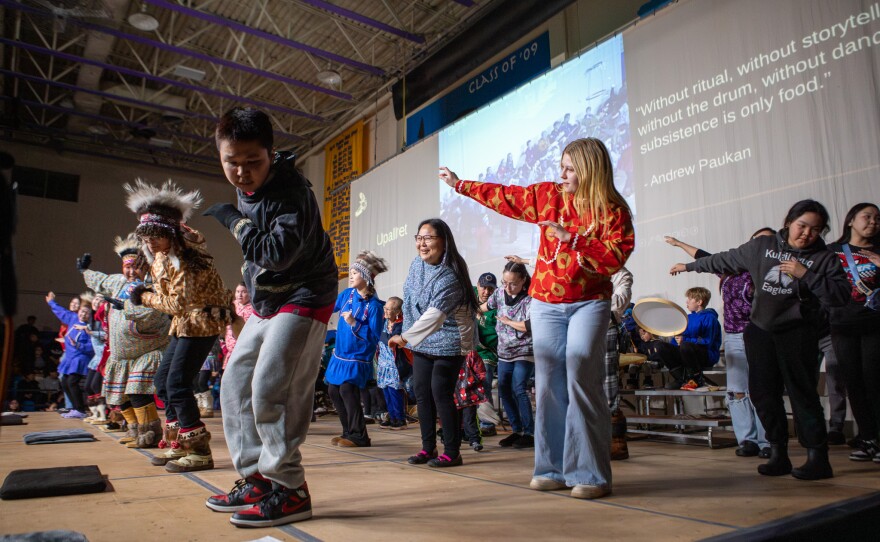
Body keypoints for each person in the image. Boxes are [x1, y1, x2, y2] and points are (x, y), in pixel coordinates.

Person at [441, 137, 634, 499]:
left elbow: (614, 257)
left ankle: (590, 474)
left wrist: (573, 240)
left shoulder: (612, 210)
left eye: (570, 168)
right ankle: (551, 468)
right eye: (561, 165)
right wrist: (460, 184)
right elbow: (507, 197)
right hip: (545, 303)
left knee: (580, 376)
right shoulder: (549, 195)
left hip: (589, 302)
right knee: (547, 386)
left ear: (591, 170)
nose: (562, 173)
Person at [202, 107, 337, 528]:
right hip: (266, 298)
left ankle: (291, 489)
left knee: (269, 388)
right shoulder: (247, 181)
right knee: (234, 384)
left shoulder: (292, 192)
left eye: (252, 162)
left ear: (270, 153)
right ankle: (256, 478)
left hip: (305, 292)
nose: (242, 173)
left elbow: (276, 255)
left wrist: (235, 222)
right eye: (232, 162)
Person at [670, 199, 850, 480]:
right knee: (764, 395)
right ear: (789, 222)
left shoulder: (824, 258)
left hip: (799, 333)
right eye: (802, 226)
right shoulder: (762, 248)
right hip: (760, 331)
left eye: (815, 229)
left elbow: (840, 295)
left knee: (803, 395)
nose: (806, 234)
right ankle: (777, 452)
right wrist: (690, 266)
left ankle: (818, 457)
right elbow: (722, 259)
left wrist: (807, 275)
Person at [126, 180, 232, 471]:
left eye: (156, 236)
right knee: (163, 383)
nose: (150, 242)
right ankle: (178, 444)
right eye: (146, 237)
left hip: (200, 323)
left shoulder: (184, 258)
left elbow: (177, 304)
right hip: (184, 325)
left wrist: (144, 296)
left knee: (177, 384)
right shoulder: (161, 257)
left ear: (170, 232)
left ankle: (199, 452)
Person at [665, 229, 775, 458]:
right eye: (757, 240)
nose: (761, 245)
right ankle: (747, 440)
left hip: (762, 334)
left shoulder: (770, 272)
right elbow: (703, 257)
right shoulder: (730, 270)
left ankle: (768, 441)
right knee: (736, 392)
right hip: (735, 336)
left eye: (768, 240)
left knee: (762, 390)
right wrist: (678, 244)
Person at [388, 218, 478, 468]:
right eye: (419, 238)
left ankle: (452, 451)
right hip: (422, 341)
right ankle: (428, 448)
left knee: (440, 392)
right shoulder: (417, 265)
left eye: (428, 238)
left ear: (444, 241)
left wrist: (404, 338)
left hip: (449, 339)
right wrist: (406, 333)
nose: (422, 243)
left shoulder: (451, 275)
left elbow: (434, 317)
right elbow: (408, 299)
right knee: (421, 393)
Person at [81, 233, 171, 449]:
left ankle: (150, 433)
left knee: (137, 393)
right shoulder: (117, 282)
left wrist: (127, 307)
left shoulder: (153, 286)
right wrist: (84, 271)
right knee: (119, 397)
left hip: (147, 350)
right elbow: (100, 280)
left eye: (135, 267)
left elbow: (155, 315)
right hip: (121, 355)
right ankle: (134, 430)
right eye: (127, 267)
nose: (131, 272)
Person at [826, 203, 880, 462]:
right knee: (853, 383)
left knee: (874, 381)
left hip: (874, 324)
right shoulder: (832, 251)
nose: (873, 222)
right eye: (867, 217)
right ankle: (868, 439)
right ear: (850, 221)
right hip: (842, 326)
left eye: (877, 218)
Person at [325, 251, 388, 448]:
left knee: (347, 389)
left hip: (358, 358)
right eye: (351, 272)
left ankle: (360, 436)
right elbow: (329, 307)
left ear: (366, 277)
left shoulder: (375, 306)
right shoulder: (346, 295)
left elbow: (375, 336)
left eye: (355, 273)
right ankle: (347, 432)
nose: (350, 276)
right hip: (340, 355)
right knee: (333, 390)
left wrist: (354, 323)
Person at [483, 261, 534, 449]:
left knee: (519, 388)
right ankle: (517, 430)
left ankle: (529, 432)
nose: (508, 287)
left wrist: (508, 321)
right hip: (504, 352)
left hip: (524, 350)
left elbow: (529, 326)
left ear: (522, 281)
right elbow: (485, 307)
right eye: (505, 282)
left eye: (512, 283)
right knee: (504, 389)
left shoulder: (530, 299)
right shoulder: (499, 293)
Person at [46, 291, 94, 418]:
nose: (83, 314)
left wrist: (78, 345)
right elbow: (61, 312)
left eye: (87, 313)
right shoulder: (73, 318)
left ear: (90, 315)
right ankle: (75, 408)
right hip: (70, 357)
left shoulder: (89, 328)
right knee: (65, 382)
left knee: (72, 382)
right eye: (82, 311)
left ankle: (80, 410)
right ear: (78, 311)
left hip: (80, 358)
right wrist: (51, 302)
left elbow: (91, 347)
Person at [607, 267, 633, 460]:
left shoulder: (622, 275)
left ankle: (616, 442)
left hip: (606, 329)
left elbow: (618, 304)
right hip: (578, 328)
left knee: (608, 386)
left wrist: (591, 298)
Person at [674, 287, 722, 390]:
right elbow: (681, 338)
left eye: (690, 299)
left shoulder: (710, 318)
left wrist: (685, 340)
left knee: (685, 345)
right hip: (688, 353)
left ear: (699, 302)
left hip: (706, 355)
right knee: (661, 347)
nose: (687, 301)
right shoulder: (687, 318)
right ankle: (681, 379)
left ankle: (696, 379)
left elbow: (707, 342)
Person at [377, 296, 410, 430]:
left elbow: (391, 339)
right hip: (383, 362)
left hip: (394, 364)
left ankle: (400, 418)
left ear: (397, 312)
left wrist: (383, 337)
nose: (385, 311)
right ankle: (391, 416)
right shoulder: (383, 321)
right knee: (386, 390)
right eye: (385, 308)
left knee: (395, 391)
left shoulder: (401, 324)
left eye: (388, 309)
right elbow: (386, 338)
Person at [474, 273, 500, 436]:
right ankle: (466, 422)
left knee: (483, 382)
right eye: (484, 287)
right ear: (477, 285)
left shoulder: (497, 306)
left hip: (486, 353)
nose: (486, 292)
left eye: (491, 289)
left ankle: (487, 423)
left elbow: (494, 337)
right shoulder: (468, 296)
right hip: (465, 351)